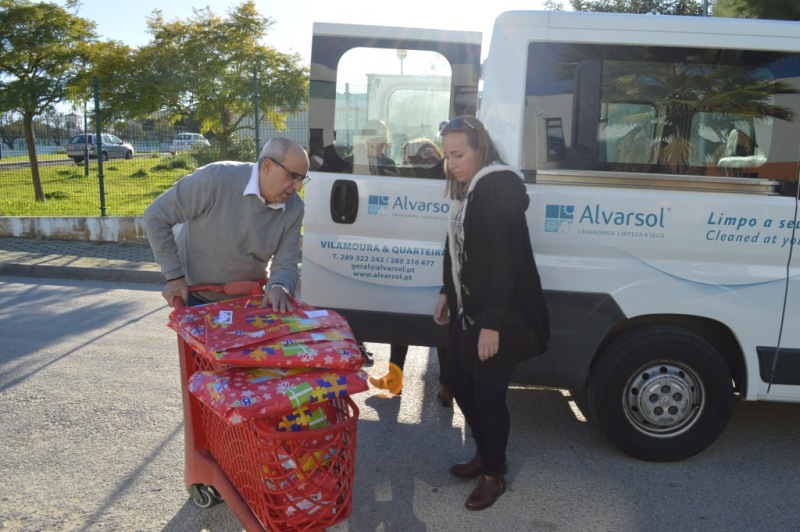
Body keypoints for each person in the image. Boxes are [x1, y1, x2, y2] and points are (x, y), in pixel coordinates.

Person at [432, 116, 550, 511]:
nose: (452, 164)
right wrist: (447, 291)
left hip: (502, 314)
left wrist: (492, 326)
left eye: (458, 155)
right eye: (448, 156)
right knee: (455, 376)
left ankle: (494, 474)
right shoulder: (470, 188)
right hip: (471, 308)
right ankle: (486, 452)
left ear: (480, 148)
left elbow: (506, 260)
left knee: (488, 391)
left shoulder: (497, 185)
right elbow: (455, 244)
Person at [143, 137, 310, 312]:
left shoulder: (294, 208)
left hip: (250, 302)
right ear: (268, 166)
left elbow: (286, 263)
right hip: (195, 297)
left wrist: (279, 287)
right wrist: (174, 276)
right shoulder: (216, 179)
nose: (298, 187)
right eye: (293, 176)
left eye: (302, 179)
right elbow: (156, 216)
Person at [369, 137, 453, 407]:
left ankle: (406, 381)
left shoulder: (438, 176)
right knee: (426, 320)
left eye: (425, 154)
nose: (419, 161)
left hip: (424, 255)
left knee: (420, 321)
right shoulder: (442, 178)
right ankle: (441, 383)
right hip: (427, 256)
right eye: (413, 157)